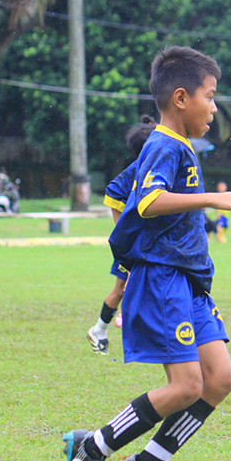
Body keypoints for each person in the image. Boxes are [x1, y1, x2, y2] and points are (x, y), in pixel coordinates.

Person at [64, 45, 231, 461]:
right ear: (180, 98)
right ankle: (91, 449)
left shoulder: (175, 147)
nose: (214, 107)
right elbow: (148, 202)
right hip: (164, 281)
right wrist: (212, 200)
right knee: (186, 386)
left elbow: (121, 190)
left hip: (190, 282)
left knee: (219, 379)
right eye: (209, 97)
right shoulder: (164, 145)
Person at [86, 115, 157, 355]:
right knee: (121, 290)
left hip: (149, 245)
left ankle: (108, 330)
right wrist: (123, 233)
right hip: (133, 247)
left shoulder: (157, 169)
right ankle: (99, 330)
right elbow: (113, 195)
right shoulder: (136, 170)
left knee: (138, 288)